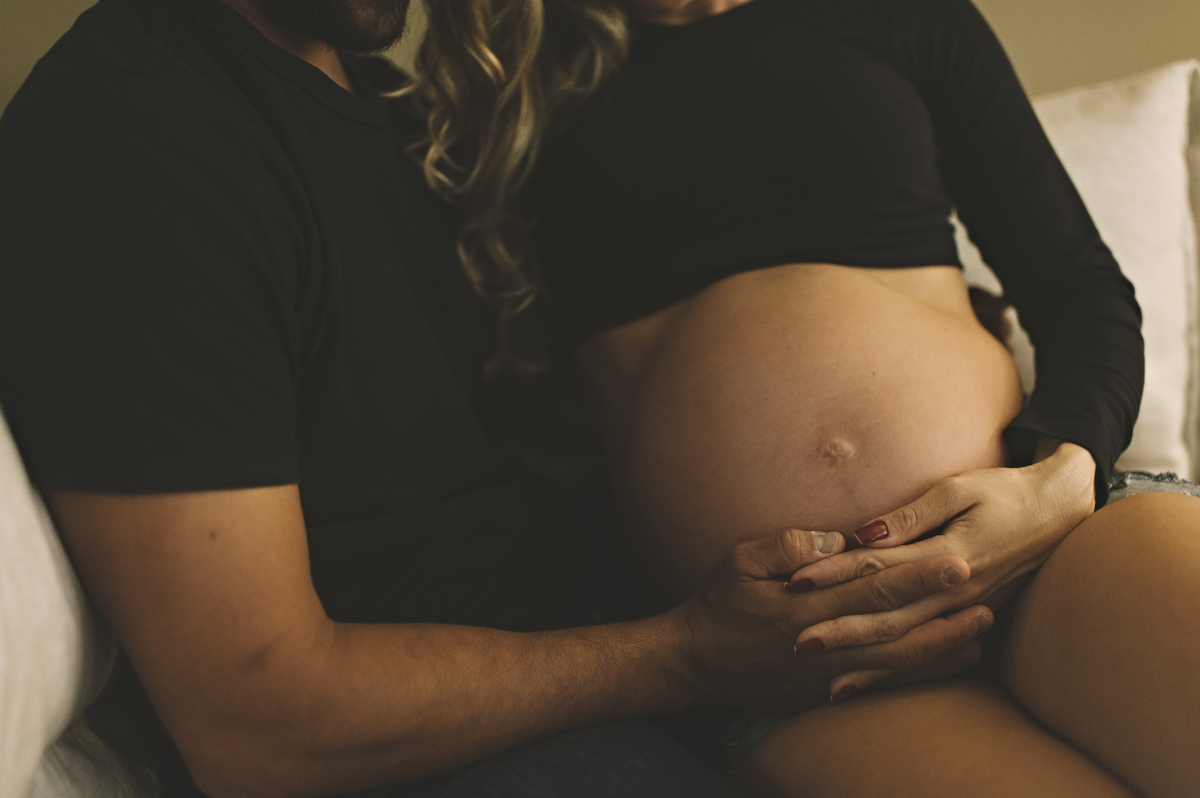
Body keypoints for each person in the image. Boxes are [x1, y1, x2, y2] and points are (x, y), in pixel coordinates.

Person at [0, 0, 999, 796]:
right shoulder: (133, 137)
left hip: (622, 649)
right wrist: (688, 655)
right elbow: (258, 726)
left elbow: (466, 416)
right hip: (458, 754)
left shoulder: (385, 103)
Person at [497, 0, 1200, 795]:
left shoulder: (901, 14)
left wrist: (1063, 479)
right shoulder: (507, 78)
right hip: (803, 653)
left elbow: (1080, 291)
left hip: (1048, 540)